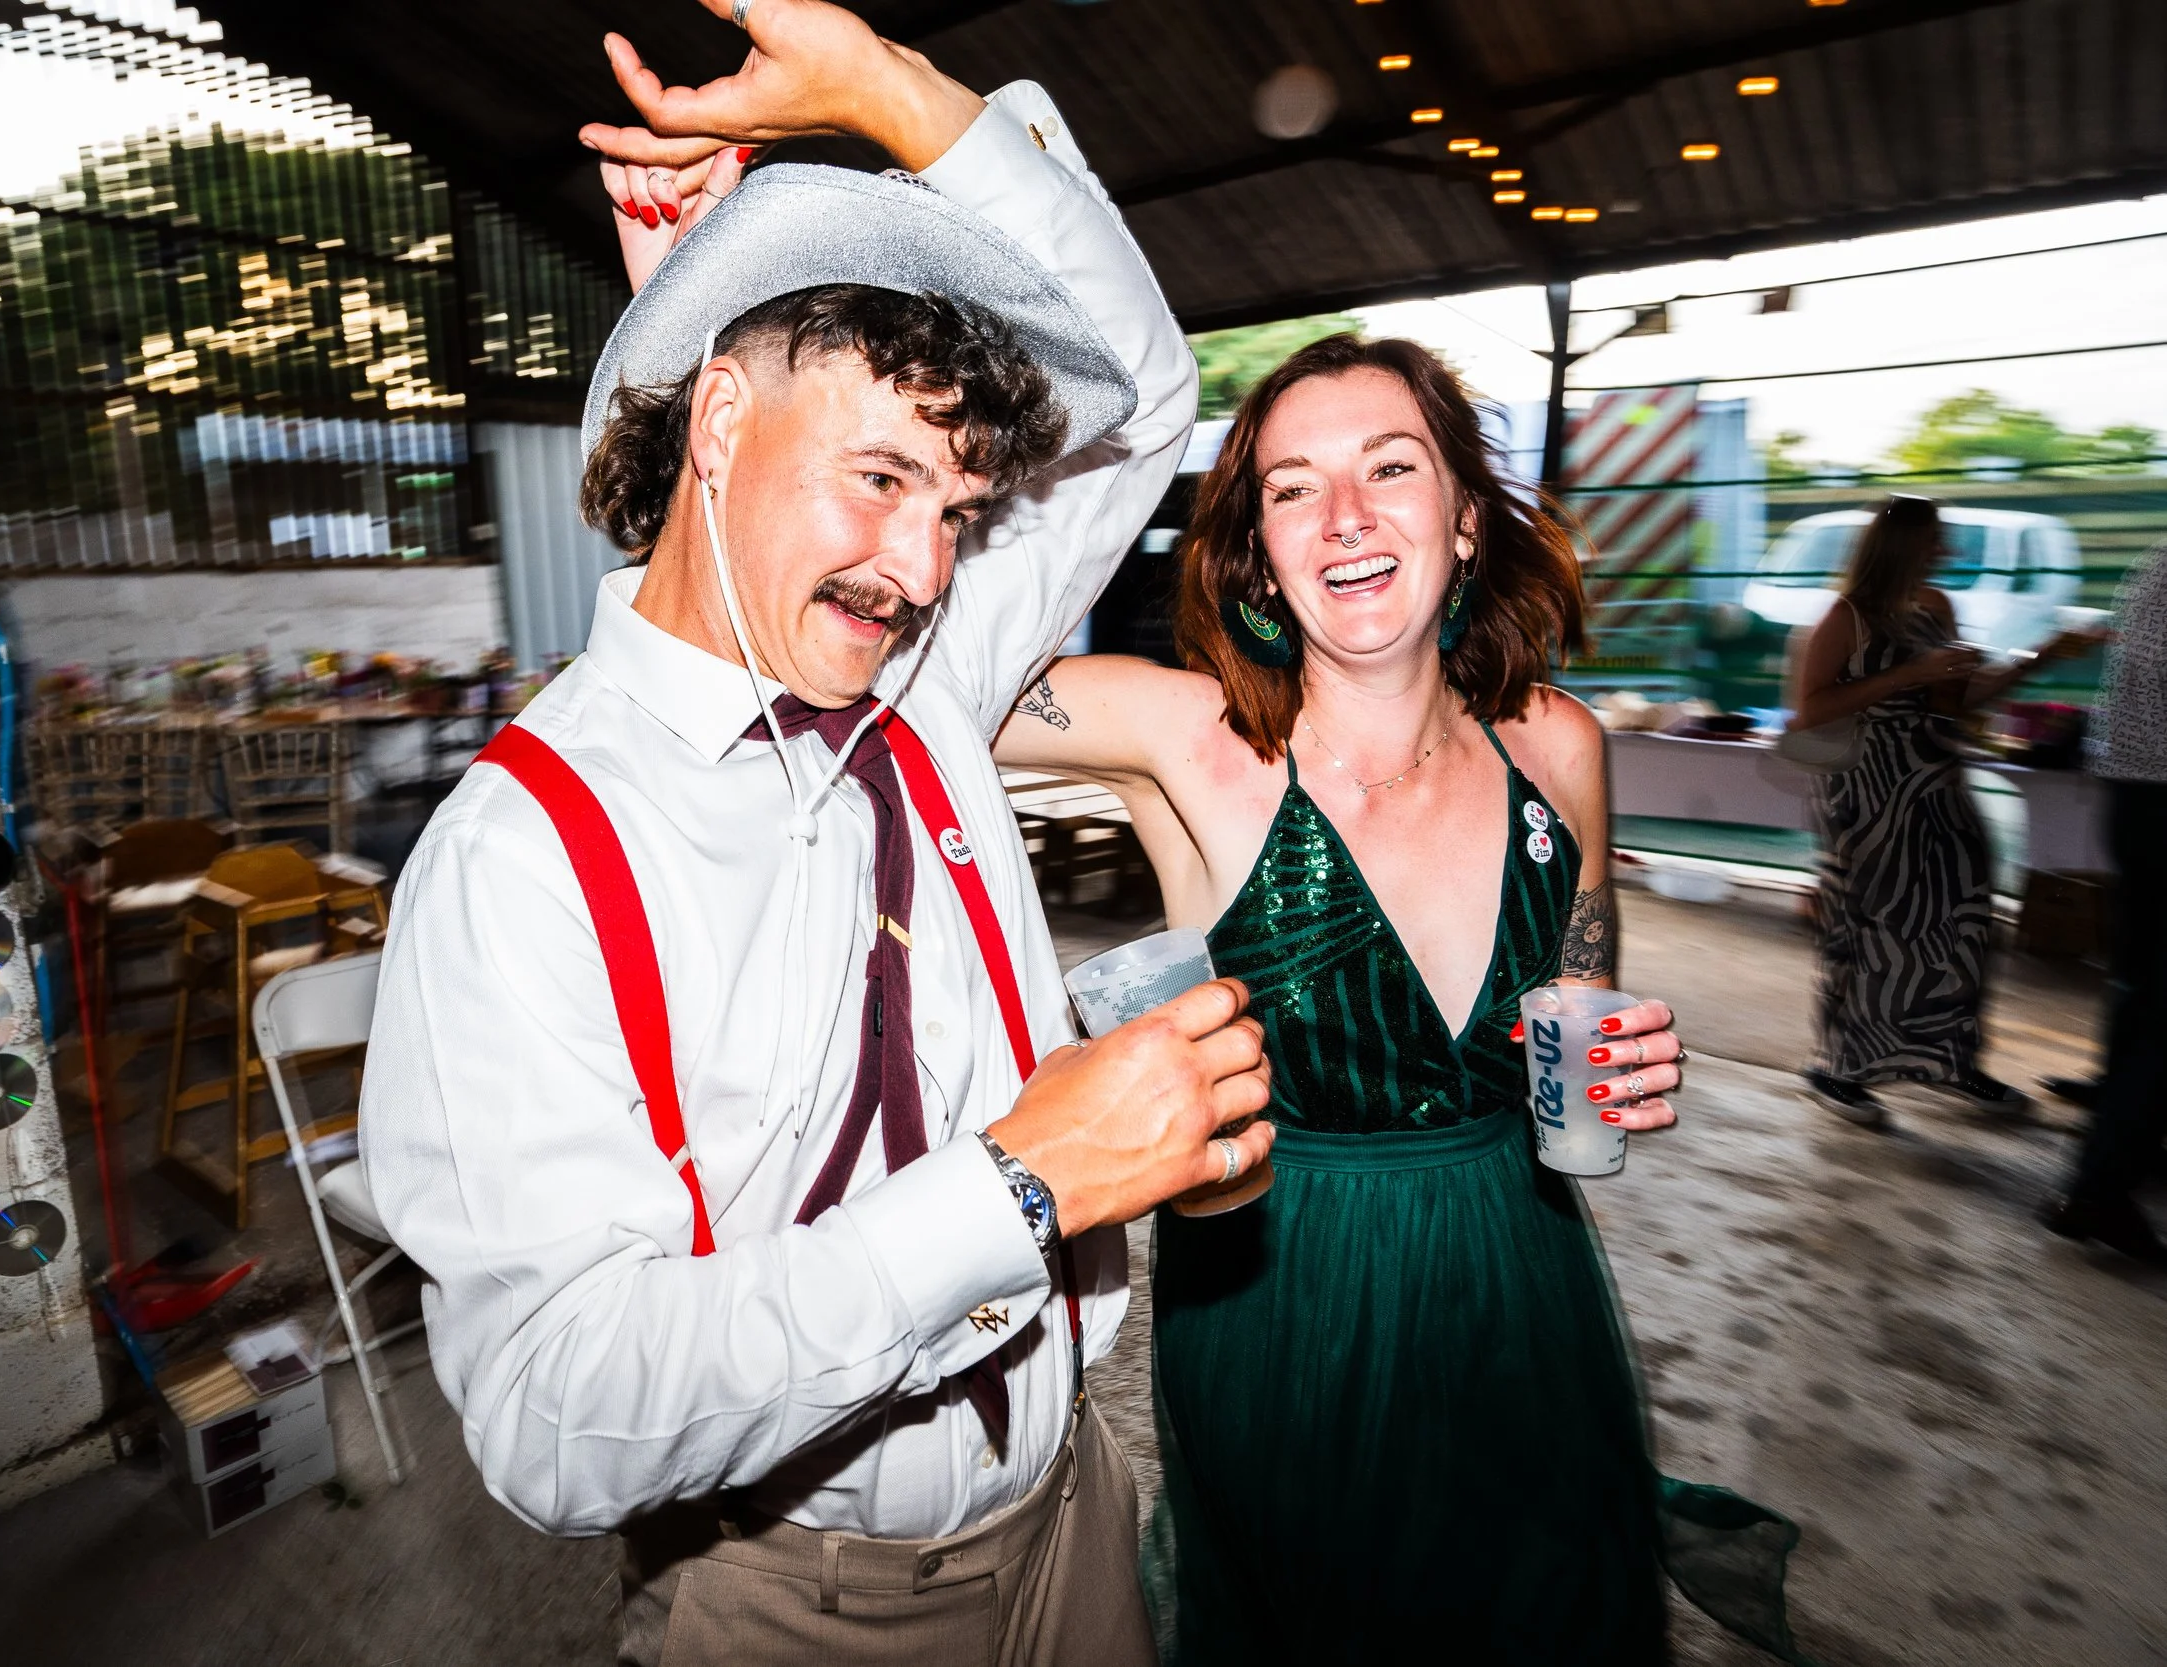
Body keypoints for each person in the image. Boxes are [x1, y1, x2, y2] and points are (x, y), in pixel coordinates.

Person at [357, 4, 1269, 1663]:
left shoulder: (926, 679)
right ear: (719, 420)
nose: (919, 569)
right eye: (879, 477)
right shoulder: (521, 856)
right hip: (794, 1602)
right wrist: (1018, 1188)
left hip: (1070, 1513)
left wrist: (883, 91)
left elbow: (1143, 389)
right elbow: (554, 1409)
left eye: (956, 511)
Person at [994, 332, 1806, 1662]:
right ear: (1257, 554)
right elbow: (911, 667)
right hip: (1279, 1296)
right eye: (1292, 487)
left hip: (1518, 1271)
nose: (1346, 514)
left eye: (1390, 467)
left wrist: (1621, 1074)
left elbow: (1576, 1034)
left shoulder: (1559, 744)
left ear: (1466, 518)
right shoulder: (1185, 736)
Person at [1785, 494, 2095, 1126]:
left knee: (1963, 916)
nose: (1945, 550)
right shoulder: (1845, 616)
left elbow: (1958, 702)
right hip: (1868, 793)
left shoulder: (1936, 606)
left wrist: (2042, 656)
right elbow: (1809, 711)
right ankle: (1838, 1067)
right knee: (1870, 926)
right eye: (1936, 538)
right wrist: (1910, 674)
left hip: (1936, 785)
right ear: (1901, 544)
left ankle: (1951, 1060)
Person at [2042, 538, 2167, 1264]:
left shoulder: (2156, 562)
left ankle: (2132, 1142)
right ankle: (2102, 1182)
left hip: (2137, 796)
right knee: (2158, 1004)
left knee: (2140, 989)